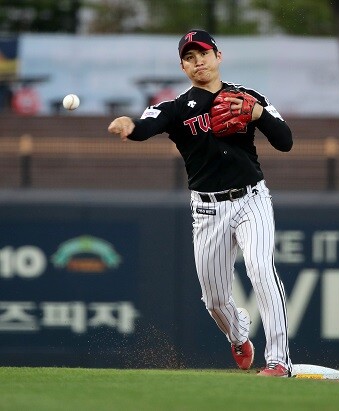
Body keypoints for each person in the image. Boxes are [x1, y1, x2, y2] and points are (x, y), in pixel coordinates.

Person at [108, 29, 293, 377]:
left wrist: (259, 115)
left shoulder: (248, 98)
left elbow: (286, 141)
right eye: (190, 58)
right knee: (214, 300)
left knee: (261, 270)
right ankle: (238, 335)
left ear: (218, 56)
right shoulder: (177, 108)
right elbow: (149, 124)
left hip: (252, 199)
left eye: (203, 54)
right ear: (183, 67)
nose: (198, 62)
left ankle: (279, 360)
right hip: (207, 209)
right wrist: (130, 125)